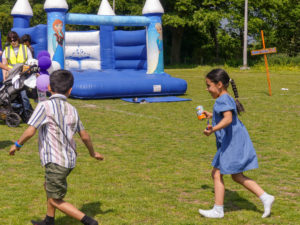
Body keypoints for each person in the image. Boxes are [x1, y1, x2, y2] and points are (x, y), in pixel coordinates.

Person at [9, 70, 104, 225]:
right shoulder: (73, 109)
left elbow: (31, 130)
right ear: (70, 90)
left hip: (55, 161)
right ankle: (49, 220)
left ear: (48, 87)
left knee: (54, 199)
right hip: (69, 160)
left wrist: (17, 145)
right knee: (48, 186)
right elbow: (85, 136)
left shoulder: (44, 106)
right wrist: (93, 153)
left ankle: (88, 221)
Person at [198, 68, 275, 219]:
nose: (207, 89)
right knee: (236, 175)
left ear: (219, 84)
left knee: (217, 173)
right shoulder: (226, 98)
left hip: (232, 142)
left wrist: (212, 129)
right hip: (234, 140)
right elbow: (225, 115)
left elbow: (228, 119)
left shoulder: (222, 99)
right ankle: (265, 197)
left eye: (208, 85)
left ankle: (218, 210)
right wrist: (211, 115)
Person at [2, 31, 33, 118]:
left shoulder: (25, 49)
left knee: (24, 96)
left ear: (18, 39)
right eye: (10, 40)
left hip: (22, 77)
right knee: (10, 97)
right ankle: (18, 112)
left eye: (14, 39)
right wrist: (5, 78)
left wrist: (28, 69)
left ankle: (27, 115)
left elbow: (30, 61)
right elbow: (4, 65)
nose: (13, 42)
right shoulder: (6, 50)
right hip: (11, 78)